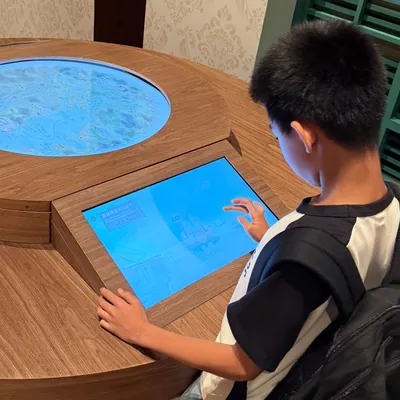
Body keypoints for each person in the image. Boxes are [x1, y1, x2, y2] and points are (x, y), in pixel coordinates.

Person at [97, 20, 400, 400]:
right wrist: (270, 238)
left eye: (276, 134)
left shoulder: (304, 261)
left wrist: (142, 331)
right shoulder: (391, 202)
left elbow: (241, 363)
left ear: (304, 136)